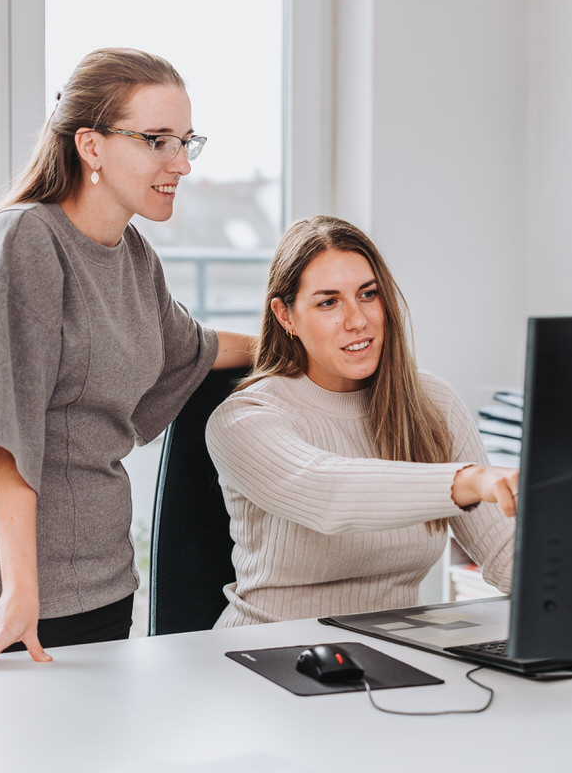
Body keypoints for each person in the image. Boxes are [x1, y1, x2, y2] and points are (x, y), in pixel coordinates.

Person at [0, 48, 252, 671]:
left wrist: (305, 338)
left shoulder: (133, 257)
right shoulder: (24, 240)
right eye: (157, 141)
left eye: (186, 142)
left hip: (106, 578)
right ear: (91, 144)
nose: (181, 163)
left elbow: (195, 348)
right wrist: (22, 590)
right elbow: (3, 431)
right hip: (19, 589)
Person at [205, 216, 517, 627]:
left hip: (399, 650)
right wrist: (466, 481)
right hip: (269, 652)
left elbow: (505, 555)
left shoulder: (432, 403)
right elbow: (329, 493)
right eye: (328, 302)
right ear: (285, 316)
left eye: (368, 294)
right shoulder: (245, 419)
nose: (357, 319)